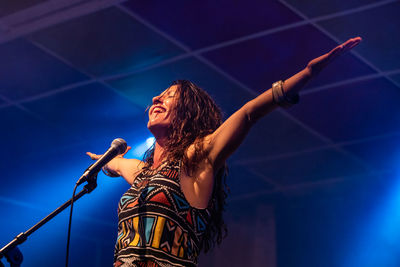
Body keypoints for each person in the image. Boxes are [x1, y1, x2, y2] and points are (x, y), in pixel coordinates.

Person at [87, 37, 362, 267]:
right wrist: (104, 163)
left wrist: (307, 74)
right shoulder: (143, 173)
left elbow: (249, 113)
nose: (156, 99)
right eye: (156, 96)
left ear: (188, 114)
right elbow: (119, 164)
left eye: (168, 95)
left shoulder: (196, 158)